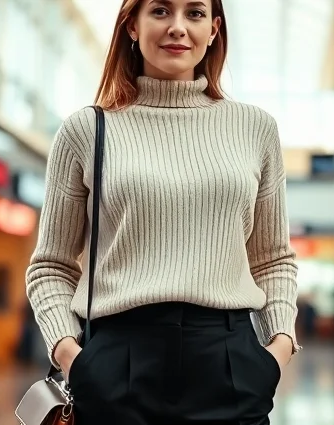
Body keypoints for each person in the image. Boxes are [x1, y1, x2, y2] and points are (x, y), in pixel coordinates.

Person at [25, 0, 299, 423]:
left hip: (230, 363)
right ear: (131, 25)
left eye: (194, 13)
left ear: (213, 29)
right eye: (160, 11)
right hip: (117, 362)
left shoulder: (255, 128)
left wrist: (277, 349)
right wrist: (71, 356)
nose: (177, 27)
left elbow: (273, 258)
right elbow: (51, 266)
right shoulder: (86, 130)